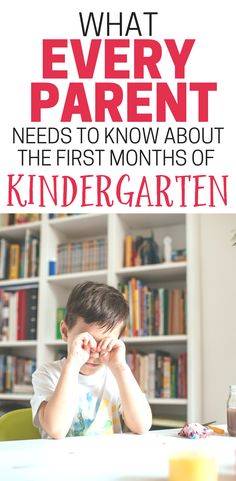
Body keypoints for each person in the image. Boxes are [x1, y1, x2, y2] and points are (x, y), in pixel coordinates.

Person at [31, 281, 152, 439]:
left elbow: (142, 426)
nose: (94, 353)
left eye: (104, 344)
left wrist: (121, 367)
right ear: (65, 332)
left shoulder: (116, 377)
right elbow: (56, 429)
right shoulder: (47, 374)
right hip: (61, 462)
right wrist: (73, 364)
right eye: (85, 342)